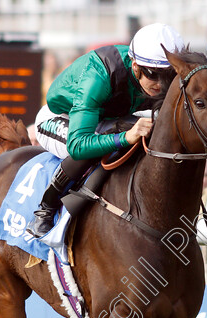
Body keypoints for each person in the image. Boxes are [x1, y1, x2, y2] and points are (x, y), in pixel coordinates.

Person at [26, 23, 184, 237]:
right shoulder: (99, 74)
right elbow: (78, 145)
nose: (160, 85)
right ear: (136, 66)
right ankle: (45, 209)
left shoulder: (155, 79)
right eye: (153, 75)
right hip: (60, 119)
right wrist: (126, 137)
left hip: (109, 117)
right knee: (95, 149)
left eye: (168, 76)